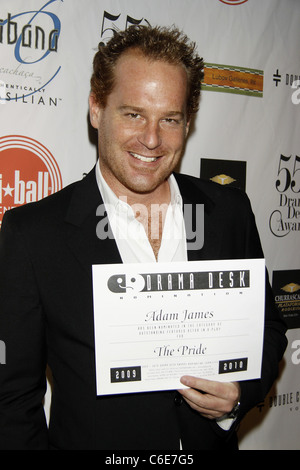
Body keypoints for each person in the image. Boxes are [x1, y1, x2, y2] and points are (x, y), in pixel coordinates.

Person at [0, 25, 287, 450]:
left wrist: (239, 395)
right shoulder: (32, 235)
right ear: (97, 108)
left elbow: (268, 329)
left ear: (187, 122)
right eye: (133, 114)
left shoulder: (228, 212)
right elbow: (12, 397)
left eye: (169, 119)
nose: (151, 140)